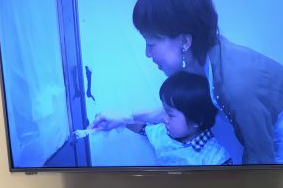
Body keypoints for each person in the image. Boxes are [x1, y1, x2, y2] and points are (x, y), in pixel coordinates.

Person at [127, 0, 283, 165]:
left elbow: (260, 160)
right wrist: (127, 116)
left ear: (185, 41)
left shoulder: (236, 86)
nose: (147, 54)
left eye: (151, 44)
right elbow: (176, 109)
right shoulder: (200, 59)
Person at [93, 71, 232, 166]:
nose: (164, 118)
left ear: (196, 120)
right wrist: (118, 121)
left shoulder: (216, 158)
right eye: (164, 111)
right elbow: (143, 129)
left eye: (170, 114)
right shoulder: (164, 133)